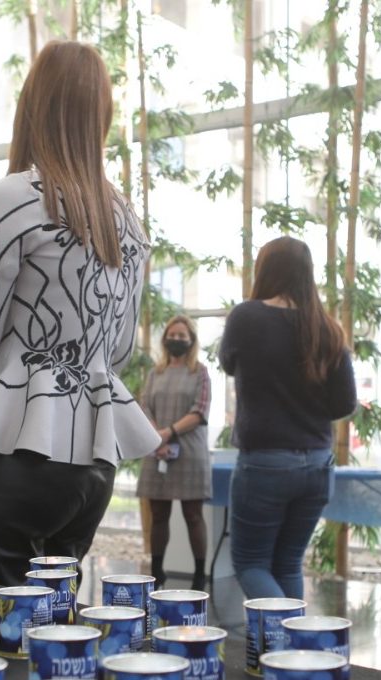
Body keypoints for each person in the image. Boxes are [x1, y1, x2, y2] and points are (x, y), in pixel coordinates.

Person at [0, 40, 159, 587]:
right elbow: (116, 352)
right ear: (102, 115)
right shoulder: (129, 221)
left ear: (33, 105)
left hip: (8, 452)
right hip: (92, 466)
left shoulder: (15, 196)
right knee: (50, 628)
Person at [219, 237, 357, 602]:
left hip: (265, 464)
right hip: (316, 465)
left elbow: (228, 363)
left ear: (265, 269)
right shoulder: (327, 328)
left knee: (250, 563)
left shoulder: (247, 316)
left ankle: (293, 640)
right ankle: (289, 654)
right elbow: (345, 403)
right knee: (288, 565)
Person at [136, 315, 213, 590]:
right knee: (158, 515)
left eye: (182, 336)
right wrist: (156, 436)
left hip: (189, 451)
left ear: (191, 341)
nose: (177, 340)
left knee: (193, 515)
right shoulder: (156, 372)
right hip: (156, 451)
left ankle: (199, 576)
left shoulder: (200, 372)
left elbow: (200, 411)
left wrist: (167, 433)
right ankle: (157, 572)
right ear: (165, 339)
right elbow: (144, 406)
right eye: (173, 335)